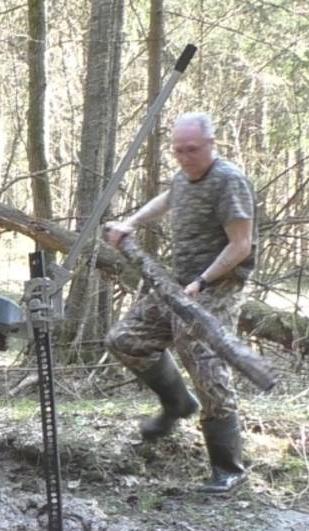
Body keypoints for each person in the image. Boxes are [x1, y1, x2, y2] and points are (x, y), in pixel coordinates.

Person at [105, 112, 257, 494]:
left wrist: (203, 281)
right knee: (126, 339)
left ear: (211, 144)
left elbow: (241, 245)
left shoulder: (229, 181)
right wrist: (131, 223)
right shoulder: (183, 176)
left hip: (218, 285)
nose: (185, 157)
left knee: (205, 363)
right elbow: (170, 197)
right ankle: (177, 404)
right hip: (179, 284)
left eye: (192, 150)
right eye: (178, 151)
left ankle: (228, 469)